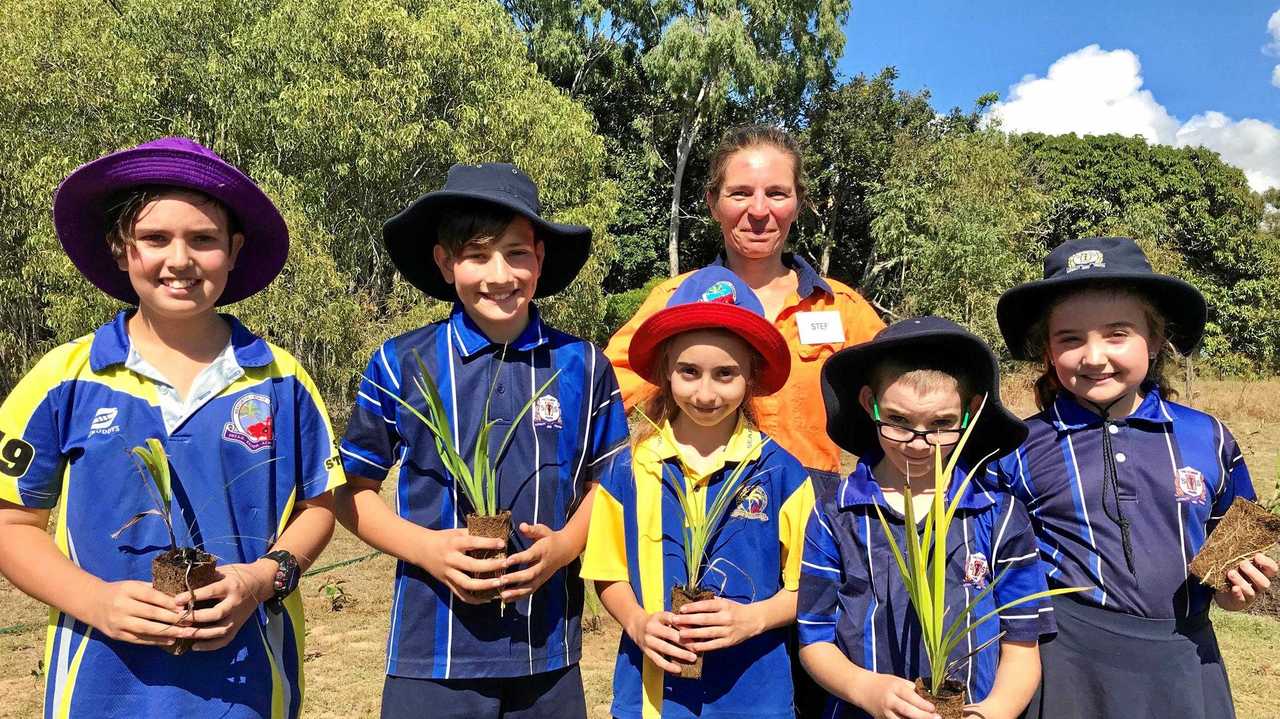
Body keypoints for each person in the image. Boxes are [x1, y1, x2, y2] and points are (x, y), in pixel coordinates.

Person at [0, 137, 344, 718]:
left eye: (203, 239)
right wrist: (97, 601)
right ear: (120, 249)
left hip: (249, 689)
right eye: (155, 238)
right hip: (101, 691)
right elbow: (12, 523)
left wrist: (262, 580)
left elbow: (320, 508)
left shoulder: (281, 379)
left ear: (234, 251)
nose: (179, 260)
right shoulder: (63, 378)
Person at [336, 163, 629, 719]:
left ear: (540, 259)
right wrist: (427, 549)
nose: (500, 274)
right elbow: (351, 490)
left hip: (548, 651)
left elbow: (607, 483)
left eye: (517, 253)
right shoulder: (402, 363)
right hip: (433, 651)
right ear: (446, 264)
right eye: (476, 255)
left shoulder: (582, 365)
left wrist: (564, 547)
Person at [991, 236, 1279, 719]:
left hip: (1184, 662)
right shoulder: (1019, 448)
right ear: (1047, 350)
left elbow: (1234, 570)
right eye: (1070, 339)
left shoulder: (1207, 438)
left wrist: (1235, 591)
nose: (1094, 356)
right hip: (1066, 666)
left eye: (1117, 333)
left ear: (1156, 338)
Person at [581, 266, 815, 719]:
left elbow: (808, 586)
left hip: (754, 698)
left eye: (725, 374)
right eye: (689, 371)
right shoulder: (630, 469)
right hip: (650, 698)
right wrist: (637, 623)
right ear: (666, 371)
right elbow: (607, 572)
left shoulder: (780, 473)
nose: (706, 393)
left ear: (752, 376)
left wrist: (753, 619)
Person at [799, 317, 1053, 719]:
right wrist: (867, 690)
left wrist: (994, 712)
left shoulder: (998, 513)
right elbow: (814, 638)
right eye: (898, 421)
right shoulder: (835, 512)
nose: (918, 443)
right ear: (870, 403)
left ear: (970, 413)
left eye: (940, 424)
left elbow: (1022, 643)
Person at [604, 124, 884, 490]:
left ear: (798, 203)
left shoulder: (842, 309)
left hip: (813, 516)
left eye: (777, 193)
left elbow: (905, 409)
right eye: (740, 193)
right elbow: (602, 395)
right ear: (712, 203)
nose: (758, 210)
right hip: (702, 505)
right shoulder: (675, 299)